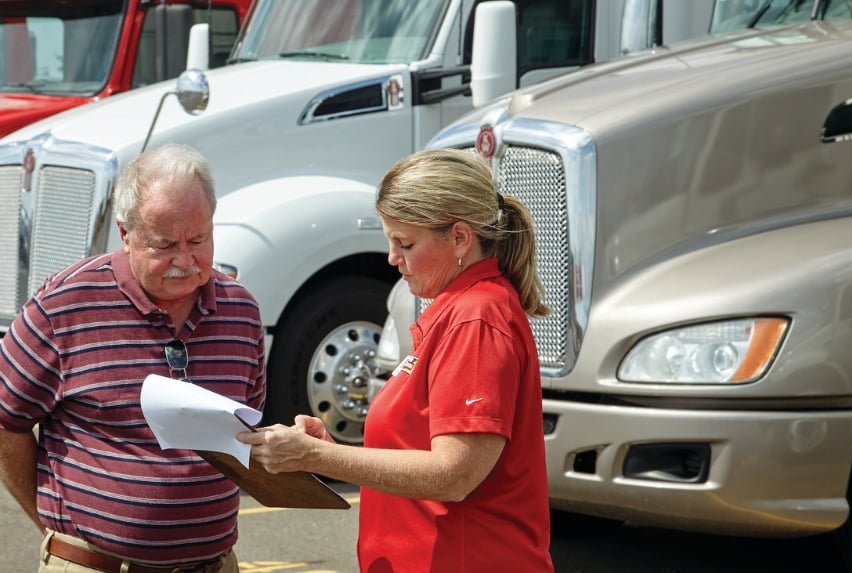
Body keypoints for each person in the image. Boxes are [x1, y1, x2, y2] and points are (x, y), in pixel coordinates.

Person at [238, 148, 554, 572]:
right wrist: (328, 449)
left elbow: (454, 474)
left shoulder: (475, 317)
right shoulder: (461, 309)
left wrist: (315, 457)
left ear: (460, 238)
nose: (392, 258)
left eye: (405, 243)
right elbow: (422, 451)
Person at [0, 143, 266, 572]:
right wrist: (54, 533)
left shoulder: (241, 311)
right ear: (126, 234)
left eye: (198, 239)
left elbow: (245, 428)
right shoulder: (63, 306)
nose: (185, 260)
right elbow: (5, 421)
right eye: (164, 245)